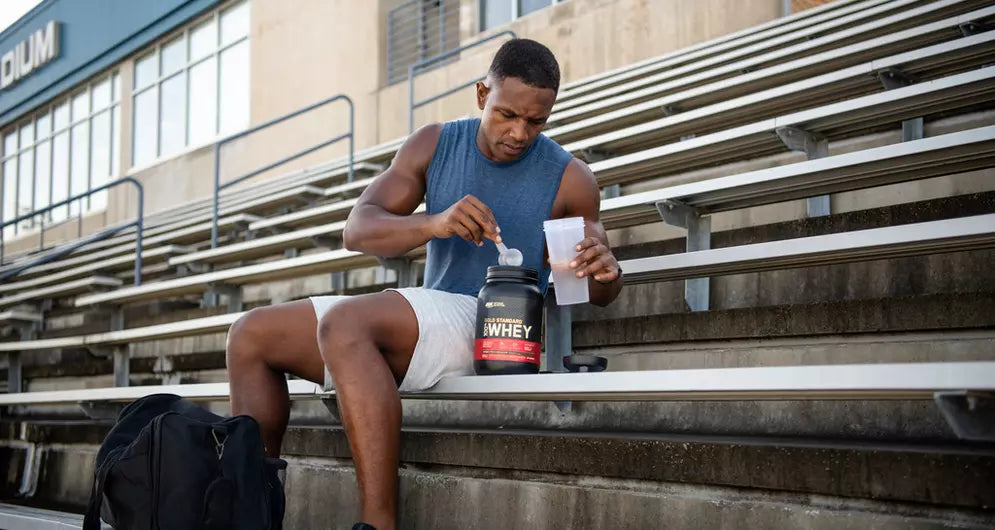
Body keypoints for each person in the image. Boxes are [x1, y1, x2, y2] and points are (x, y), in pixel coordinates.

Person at [225, 38, 623, 530]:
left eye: (536, 121)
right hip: (427, 316)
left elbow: (592, 289)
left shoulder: (570, 178)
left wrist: (606, 272)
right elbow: (358, 229)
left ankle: (378, 523)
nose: (520, 133)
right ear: (482, 95)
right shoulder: (435, 143)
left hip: (494, 325)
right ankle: (251, 515)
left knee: (346, 323)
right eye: (507, 115)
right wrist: (432, 223)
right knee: (249, 335)